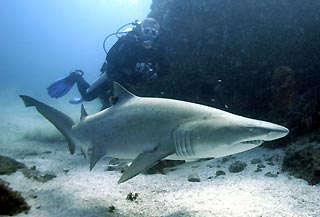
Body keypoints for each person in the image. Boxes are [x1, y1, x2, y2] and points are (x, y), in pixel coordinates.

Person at [47, 18, 167, 109]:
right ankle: (76, 76)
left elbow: (165, 68)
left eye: (153, 33)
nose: (149, 36)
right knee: (88, 96)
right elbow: (111, 58)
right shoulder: (129, 40)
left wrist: (154, 74)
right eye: (147, 31)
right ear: (141, 30)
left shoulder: (157, 49)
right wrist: (131, 66)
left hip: (134, 82)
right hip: (113, 75)